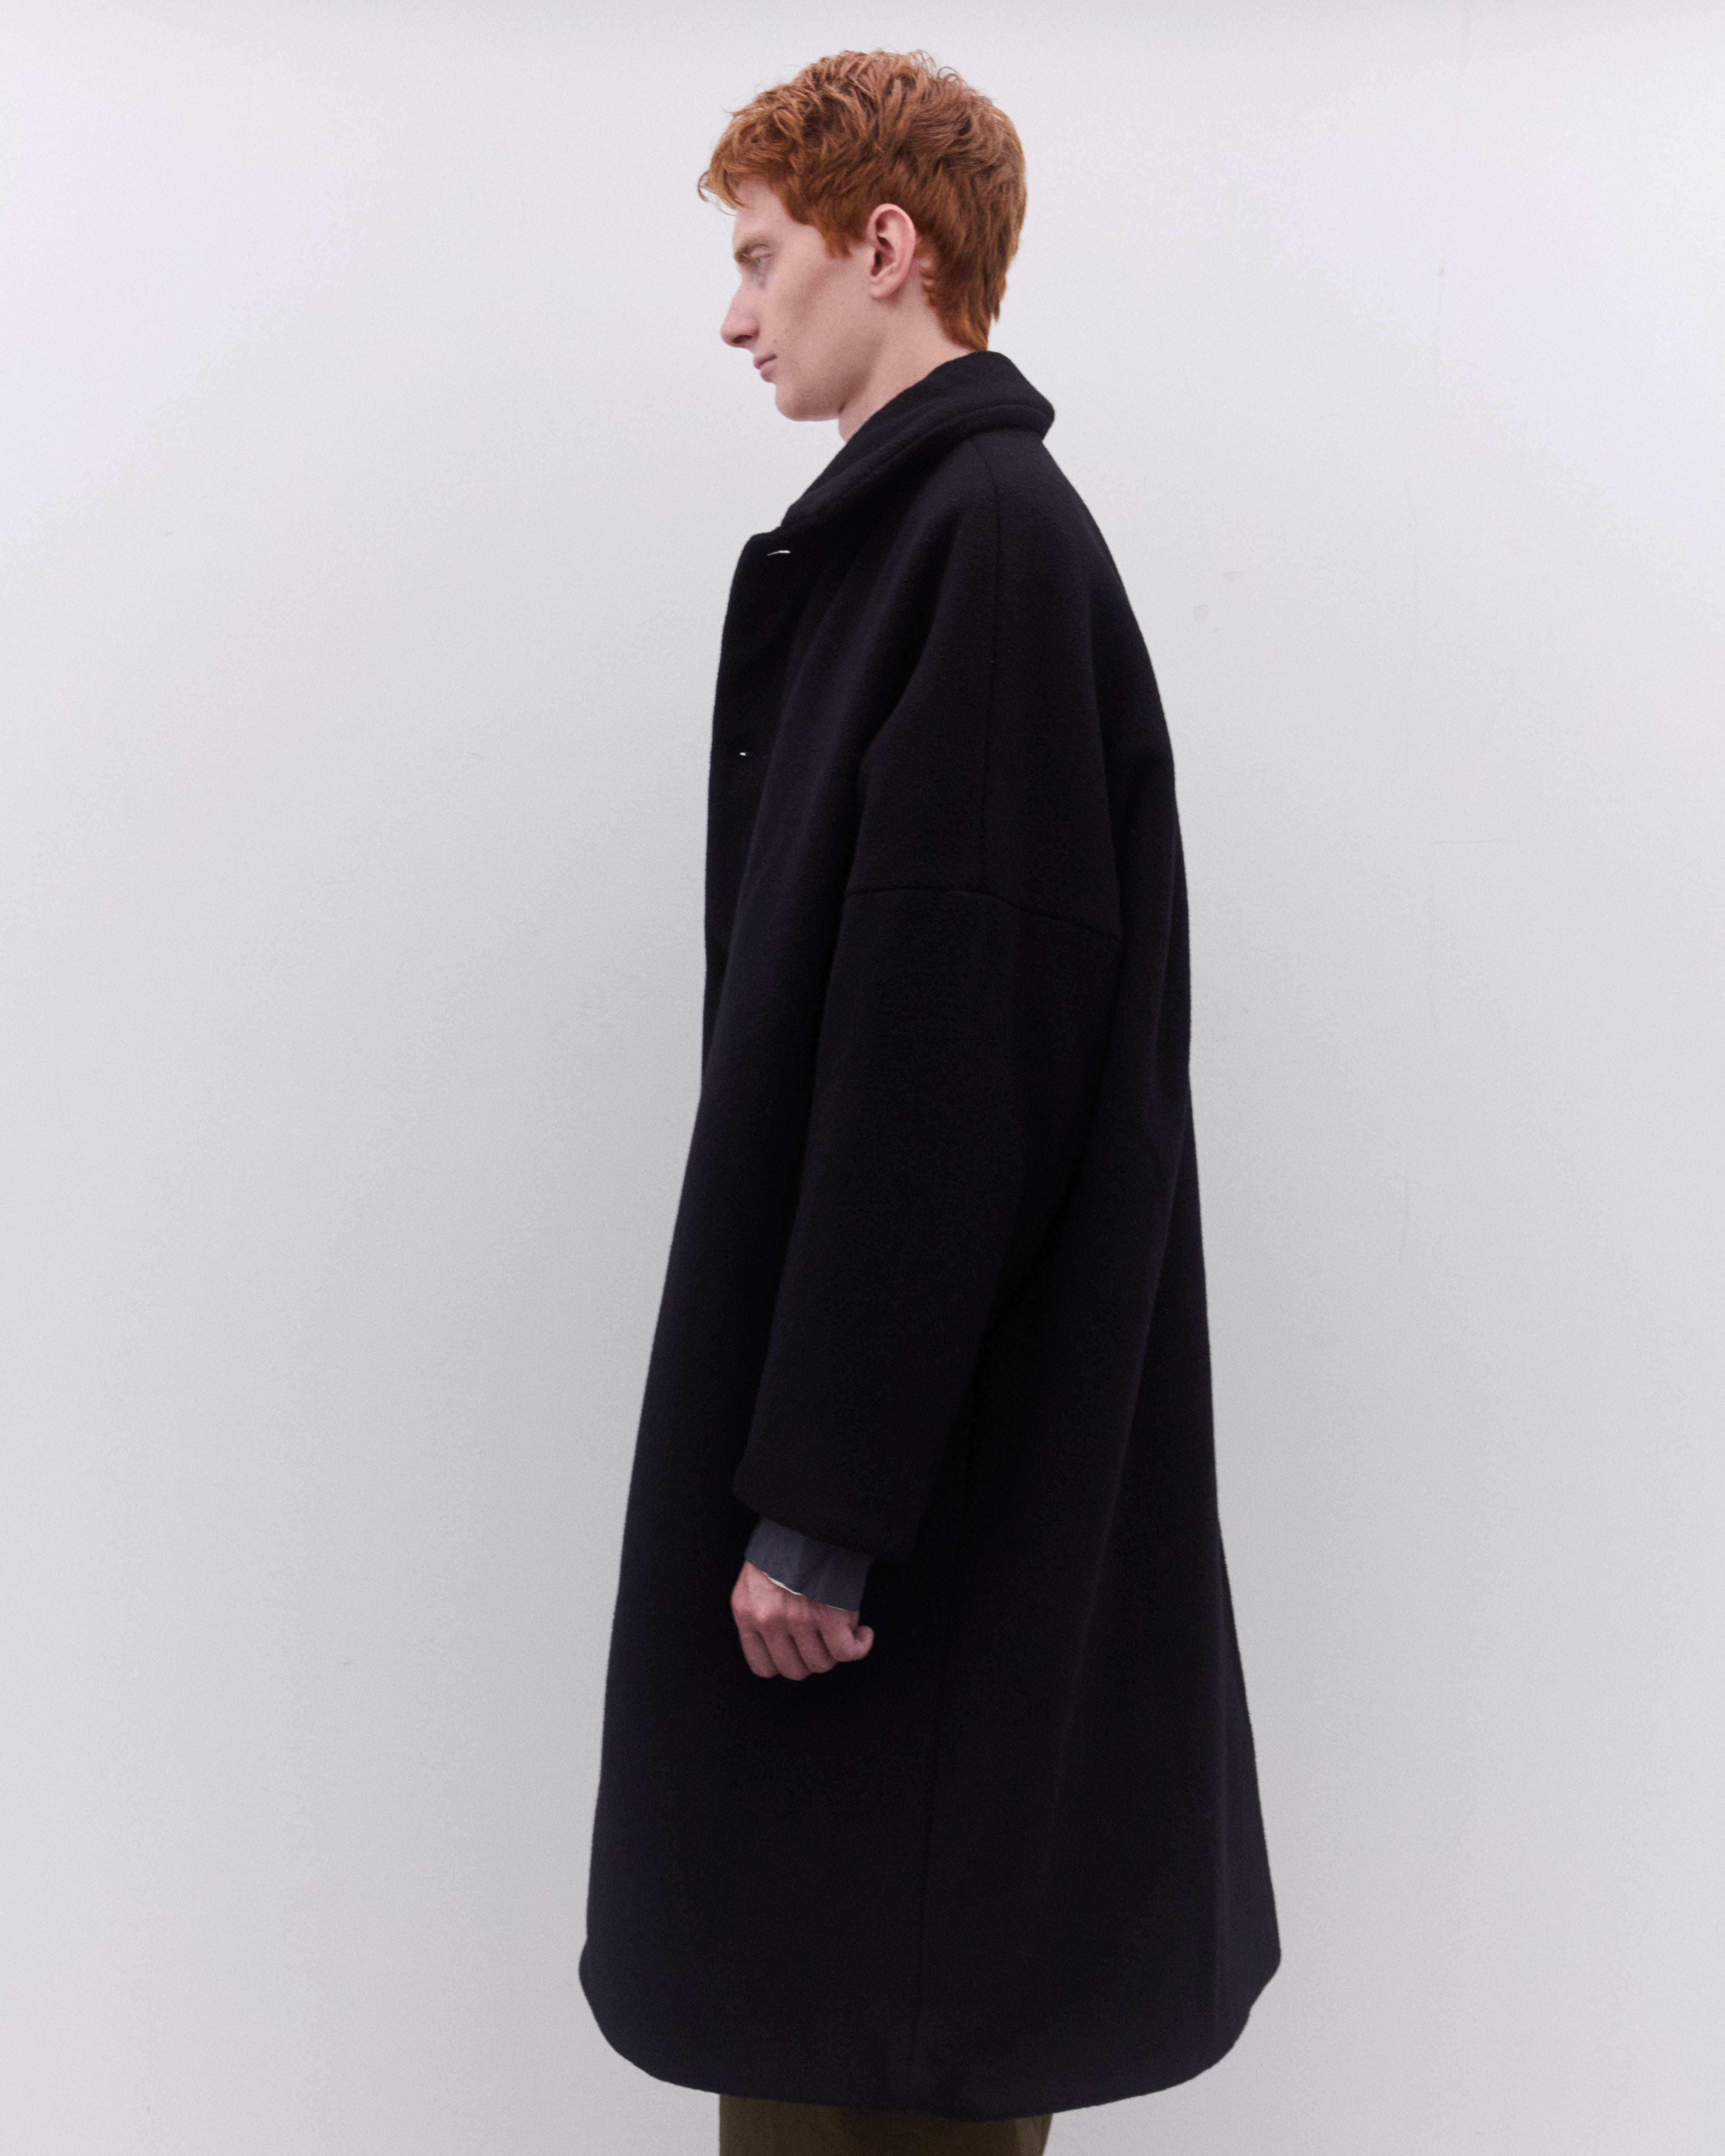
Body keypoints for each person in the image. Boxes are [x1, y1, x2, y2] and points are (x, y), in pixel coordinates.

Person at [580, 47, 1280, 2156]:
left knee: (889, 2043)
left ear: (885, 245)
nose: (734, 316)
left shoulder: (980, 548)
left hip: (900, 1541)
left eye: (758, 258)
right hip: (897, 1511)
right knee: (846, 2025)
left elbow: (951, 1058)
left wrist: (824, 1500)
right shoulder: (916, 549)